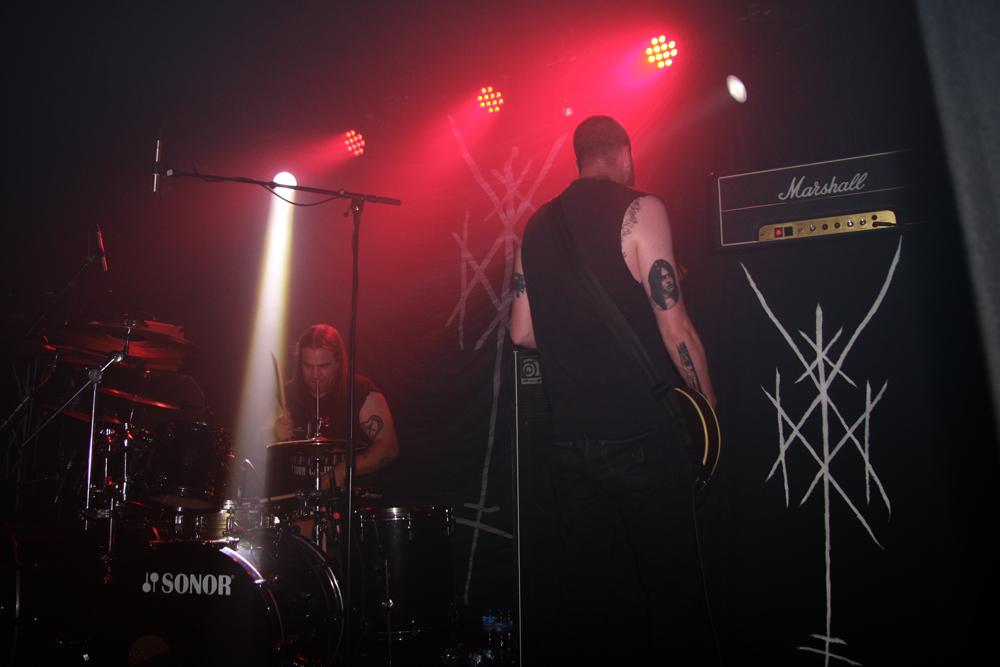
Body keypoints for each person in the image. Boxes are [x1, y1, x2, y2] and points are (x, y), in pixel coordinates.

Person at [510, 116, 716, 662]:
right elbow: (675, 327)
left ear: (578, 160)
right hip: (642, 436)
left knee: (588, 602)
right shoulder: (641, 209)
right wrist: (709, 413)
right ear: (624, 154)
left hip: (570, 445)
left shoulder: (536, 225)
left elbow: (521, 332)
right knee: (671, 591)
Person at [273, 324, 398, 489]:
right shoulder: (287, 393)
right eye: (308, 365)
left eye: (323, 366)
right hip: (298, 500)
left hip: (349, 500)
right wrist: (275, 433)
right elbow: (257, 449)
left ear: (338, 362)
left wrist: (343, 470)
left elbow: (389, 447)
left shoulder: (360, 391)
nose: (315, 374)